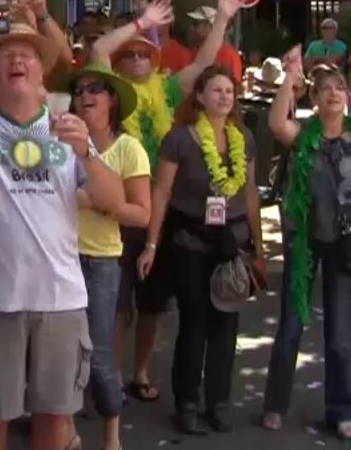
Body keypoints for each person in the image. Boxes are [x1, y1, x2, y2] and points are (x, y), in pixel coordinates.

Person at [0, 22, 127, 450]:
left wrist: (87, 150)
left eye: (27, 54)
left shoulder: (67, 127)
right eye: (5, 55)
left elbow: (112, 200)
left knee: (55, 421)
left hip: (61, 298)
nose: (17, 59)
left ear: (42, 71)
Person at [89, 0, 245, 403]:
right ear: (121, 65)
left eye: (145, 54)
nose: (138, 59)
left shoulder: (168, 90)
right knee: (117, 305)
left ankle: (138, 372)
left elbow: (205, 65)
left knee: (153, 303)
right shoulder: (111, 95)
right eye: (132, 55)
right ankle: (112, 378)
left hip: (157, 211)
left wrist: (223, 19)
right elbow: (101, 48)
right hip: (116, 211)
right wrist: (141, 24)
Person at [136, 65, 263, 435]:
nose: (225, 97)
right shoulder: (179, 139)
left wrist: (257, 247)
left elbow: (250, 193)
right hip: (190, 241)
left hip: (233, 244)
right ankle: (187, 401)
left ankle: (219, 401)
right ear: (200, 97)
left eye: (230, 91)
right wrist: (151, 243)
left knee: (227, 323)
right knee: (194, 322)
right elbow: (161, 192)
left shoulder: (245, 138)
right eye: (217, 90)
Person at [57, 64, 152, 450]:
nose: (84, 96)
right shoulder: (58, 143)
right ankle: (67, 432)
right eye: (78, 91)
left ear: (112, 99)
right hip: (59, 256)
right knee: (58, 352)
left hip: (101, 261)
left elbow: (142, 214)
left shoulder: (128, 149)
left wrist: (101, 203)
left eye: (95, 88)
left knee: (97, 351)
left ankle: (112, 435)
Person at [262, 51, 351, 439]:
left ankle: (341, 409)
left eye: (339, 87)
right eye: (324, 89)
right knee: (292, 326)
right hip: (304, 242)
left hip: (344, 245)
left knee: (340, 333)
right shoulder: (304, 134)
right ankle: (276, 403)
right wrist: (290, 78)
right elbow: (276, 122)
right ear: (313, 99)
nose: (332, 94)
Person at [161, 5, 244, 82]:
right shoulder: (194, 52)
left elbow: (235, 87)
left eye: (196, 24)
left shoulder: (230, 55)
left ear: (210, 26)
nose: (192, 28)